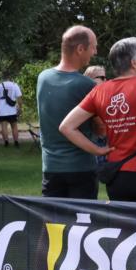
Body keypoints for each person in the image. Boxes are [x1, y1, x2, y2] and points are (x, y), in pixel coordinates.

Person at [59, 37, 136, 204]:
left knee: (123, 221)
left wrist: (97, 150)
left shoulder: (100, 90)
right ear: (134, 63)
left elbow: (67, 126)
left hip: (117, 173)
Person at [36, 26, 100, 198]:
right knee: (81, 215)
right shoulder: (86, 85)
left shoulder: (43, 78)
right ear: (80, 49)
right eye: (93, 47)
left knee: (52, 215)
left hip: (51, 168)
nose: (94, 52)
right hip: (81, 168)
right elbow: (100, 127)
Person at [0, 76, 22, 147]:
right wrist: (20, 108)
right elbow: (19, 99)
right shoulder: (15, 85)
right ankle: (16, 142)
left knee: (4, 126)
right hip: (12, 110)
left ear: (2, 79)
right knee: (14, 126)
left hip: (1, 111)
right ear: (10, 78)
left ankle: (6, 142)